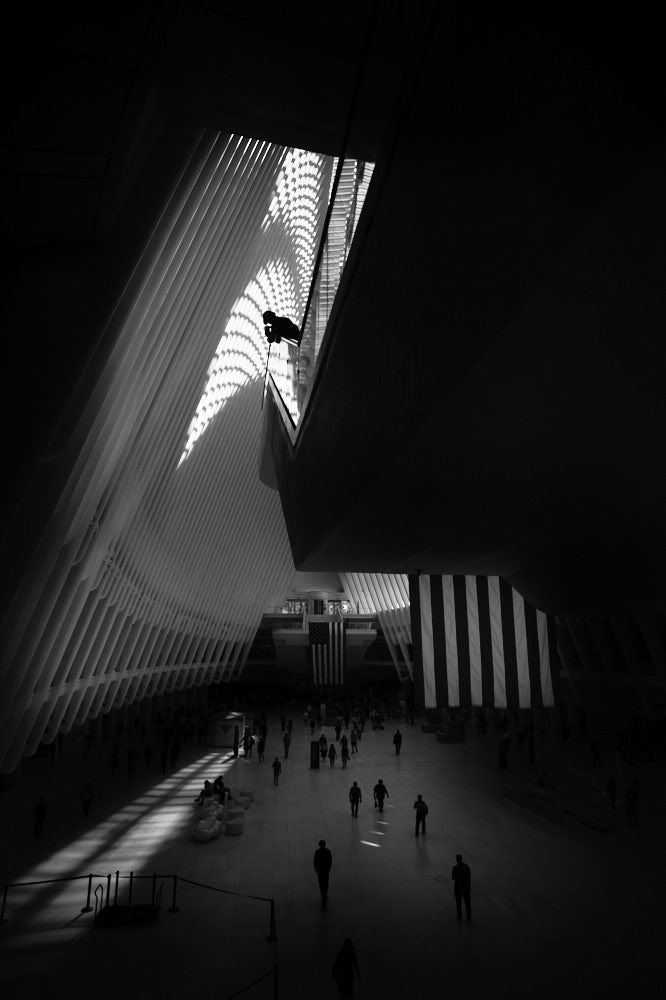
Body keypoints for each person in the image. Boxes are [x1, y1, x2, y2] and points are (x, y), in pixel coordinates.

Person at [452, 854, 472, 922]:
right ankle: (469, 916)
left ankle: (459, 916)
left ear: (456, 860)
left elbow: (453, 878)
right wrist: (469, 886)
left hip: (458, 888)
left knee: (458, 903)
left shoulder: (455, 868)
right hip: (466, 887)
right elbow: (469, 877)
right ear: (461, 859)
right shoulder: (467, 867)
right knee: (467, 903)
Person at [314, 839, 332, 909]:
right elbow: (330, 861)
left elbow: (315, 861)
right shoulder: (328, 851)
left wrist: (316, 869)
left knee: (322, 884)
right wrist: (328, 868)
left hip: (321, 871)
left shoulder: (317, 852)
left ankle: (323, 896)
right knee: (325, 884)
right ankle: (324, 896)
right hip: (325, 871)